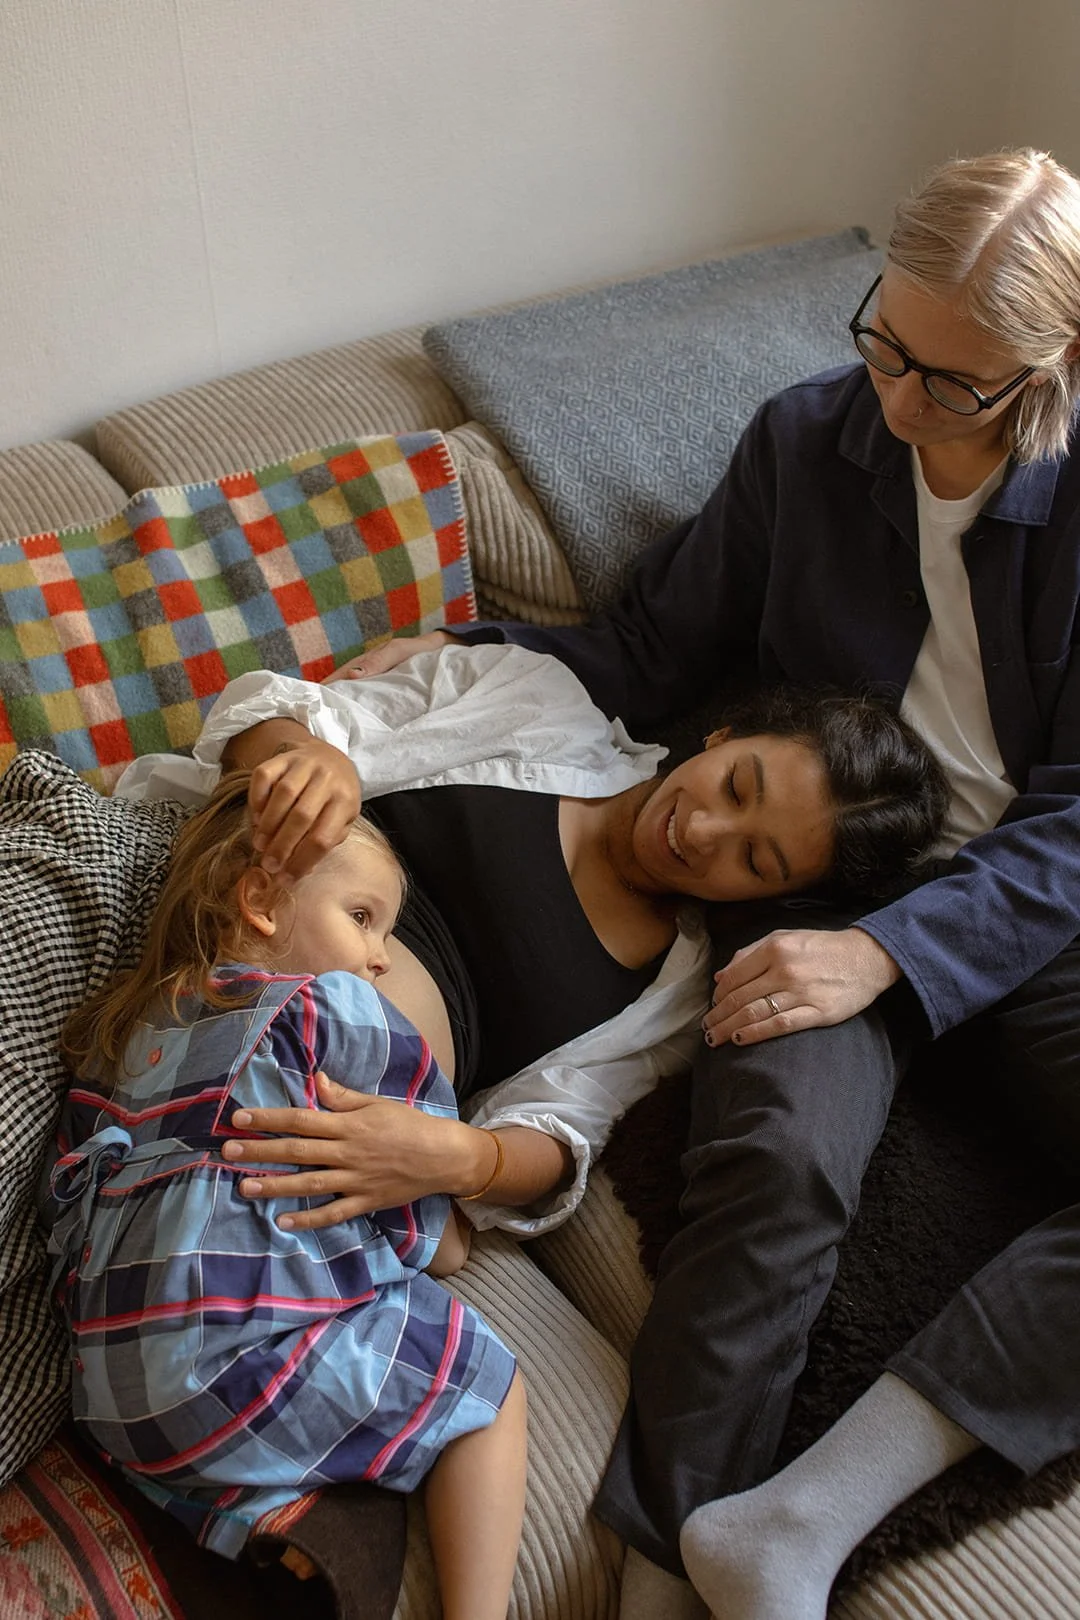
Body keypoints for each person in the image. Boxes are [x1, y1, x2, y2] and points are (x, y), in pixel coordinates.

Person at [327, 148, 1080, 1619]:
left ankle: (805, 1513)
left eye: (953, 383)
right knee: (779, 1154)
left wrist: (901, 955)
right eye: (887, 342)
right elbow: (648, 650)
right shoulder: (806, 442)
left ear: (1051, 371)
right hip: (822, 877)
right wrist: (460, 653)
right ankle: (667, 1568)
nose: (900, 402)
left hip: (1031, 907)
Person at [114, 643, 945, 1259]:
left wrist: (462, 1158)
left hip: (306, 1124)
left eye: (754, 859)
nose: (703, 831)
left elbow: (558, 1130)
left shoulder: (679, 990)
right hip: (187, 925)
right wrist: (306, 759)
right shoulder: (538, 699)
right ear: (723, 734)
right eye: (736, 784)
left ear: (773, 898)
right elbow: (278, 718)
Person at [41, 773, 527, 1620]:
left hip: (110, 1402)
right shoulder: (332, 1009)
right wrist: (445, 1226)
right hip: (223, 1378)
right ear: (261, 902)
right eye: (362, 917)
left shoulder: (127, 1028)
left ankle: (265, 1507)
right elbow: (433, 1237)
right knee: (486, 1382)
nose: (381, 957)